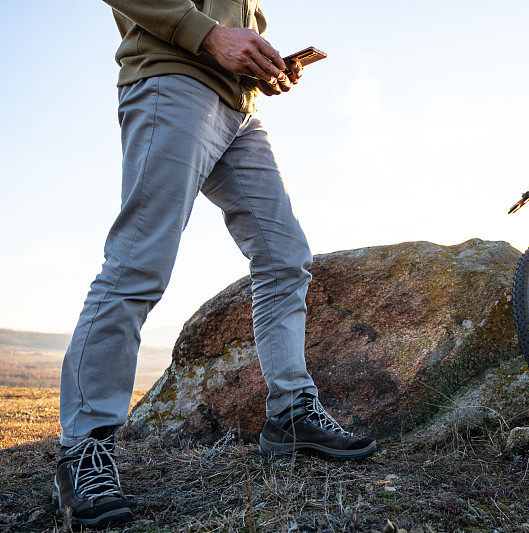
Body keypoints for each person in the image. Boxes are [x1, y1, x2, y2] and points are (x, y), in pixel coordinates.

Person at [54, 1, 376, 528]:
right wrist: (209, 36)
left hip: (240, 110)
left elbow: (237, 20)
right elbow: (206, 24)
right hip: (173, 82)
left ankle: (291, 414)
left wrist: (262, 63)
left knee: (285, 257)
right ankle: (82, 451)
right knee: (139, 264)